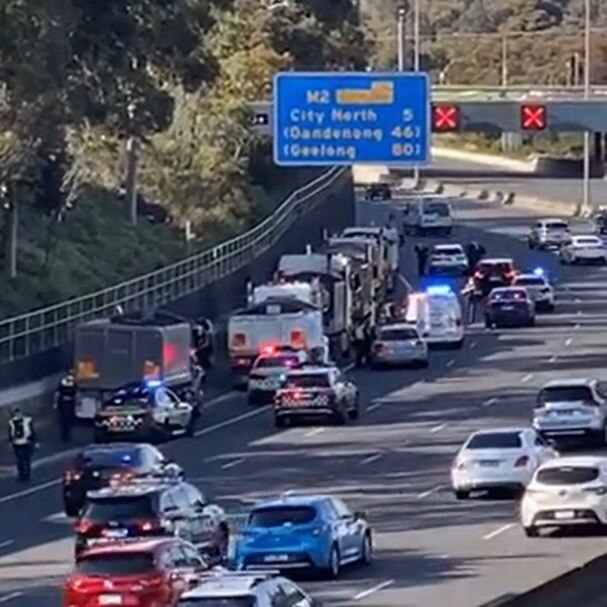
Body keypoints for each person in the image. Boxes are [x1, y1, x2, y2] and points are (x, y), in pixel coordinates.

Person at [7, 407, 36, 482]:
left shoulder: (27, 420)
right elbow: (10, 433)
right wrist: (10, 442)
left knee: (26, 459)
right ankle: (21, 475)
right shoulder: (12, 422)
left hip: (26, 442)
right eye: (17, 413)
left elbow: (32, 430)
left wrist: (32, 440)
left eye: (19, 413)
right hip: (17, 443)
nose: (18, 415)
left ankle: (27, 475)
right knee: (19, 461)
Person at [55, 371, 76, 443]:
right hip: (67, 403)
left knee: (65, 421)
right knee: (66, 420)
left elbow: (57, 393)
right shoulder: (72, 382)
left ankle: (65, 436)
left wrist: (56, 403)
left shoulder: (63, 382)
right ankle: (66, 436)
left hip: (64, 403)